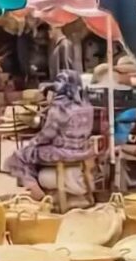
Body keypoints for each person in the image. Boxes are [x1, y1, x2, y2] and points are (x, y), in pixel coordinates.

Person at [6, 70, 95, 198]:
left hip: (61, 152)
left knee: (18, 156)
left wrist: (33, 142)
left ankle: (36, 191)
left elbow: (48, 133)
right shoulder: (86, 105)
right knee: (31, 153)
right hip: (81, 150)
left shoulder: (61, 106)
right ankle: (40, 187)